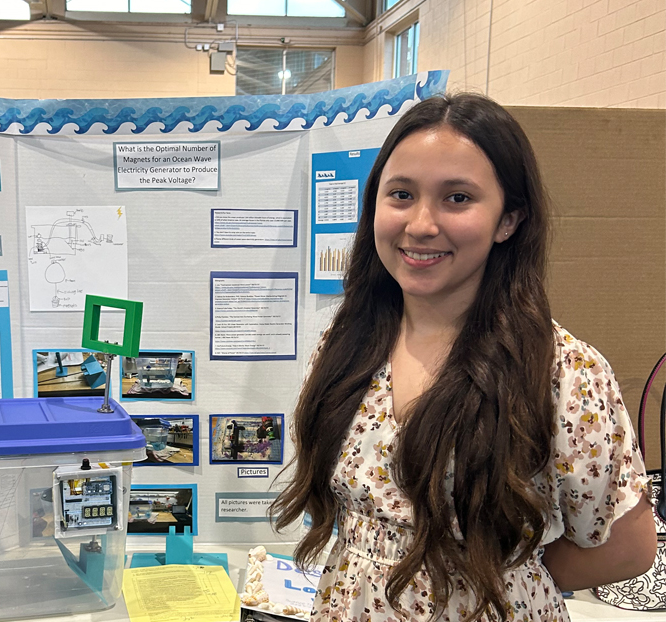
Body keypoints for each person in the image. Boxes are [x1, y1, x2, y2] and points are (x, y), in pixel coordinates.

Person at [271, 93, 657, 622]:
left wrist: (500, 576)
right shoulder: (346, 345)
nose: (422, 224)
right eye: (401, 194)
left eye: (457, 198)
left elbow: (627, 547)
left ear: (509, 220)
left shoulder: (563, 372)